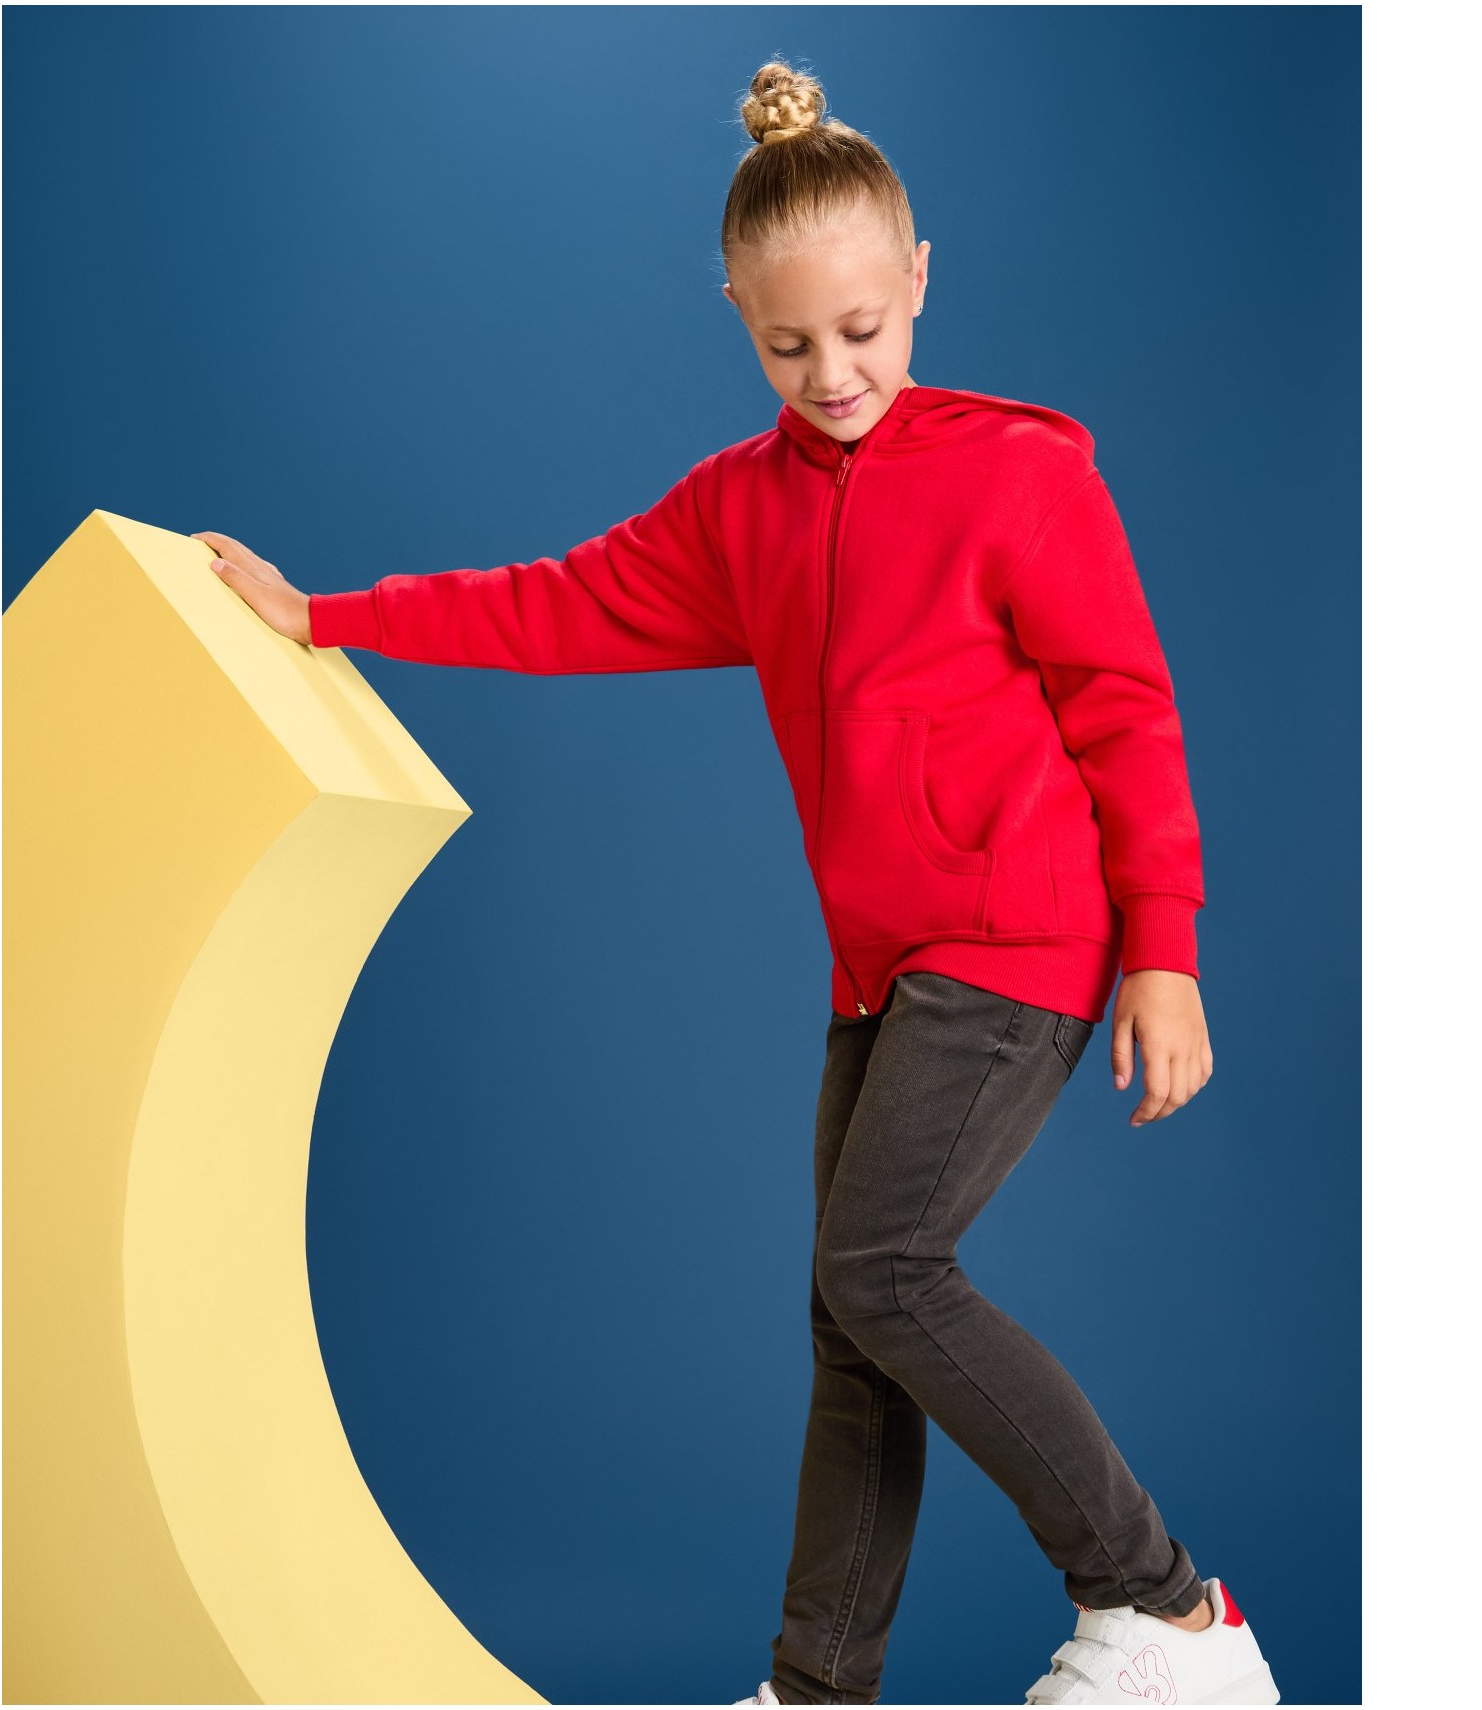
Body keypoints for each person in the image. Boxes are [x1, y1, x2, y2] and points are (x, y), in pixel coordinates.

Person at [193, 57, 1279, 1710]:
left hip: (1024, 935)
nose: (833, 375)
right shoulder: (737, 513)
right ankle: (816, 1686)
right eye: (788, 345)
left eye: (864, 330)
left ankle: (1170, 1612)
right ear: (738, 320)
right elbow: (553, 602)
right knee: (852, 1317)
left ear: (921, 281)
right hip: (881, 968)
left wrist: (1165, 952)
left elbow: (1125, 707)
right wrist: (329, 614)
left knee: (883, 1271)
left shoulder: (1019, 471)